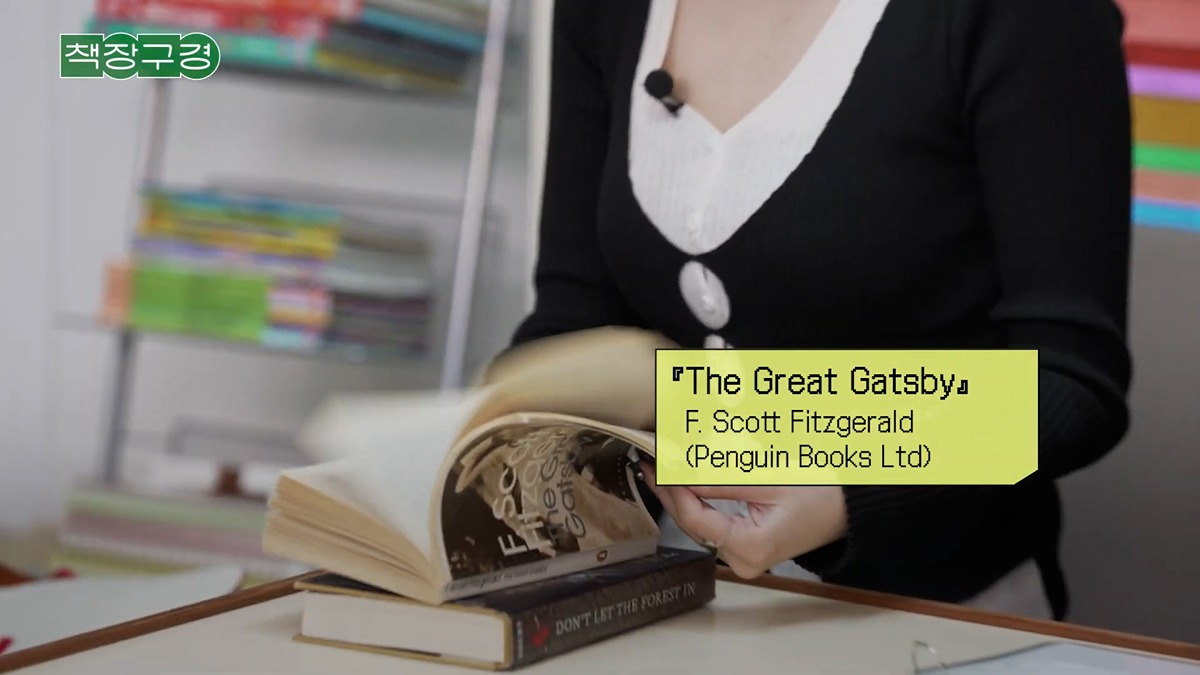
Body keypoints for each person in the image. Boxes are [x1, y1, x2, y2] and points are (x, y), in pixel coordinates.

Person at [507, 0, 1132, 621]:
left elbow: (1069, 380)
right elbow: (572, 322)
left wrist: (850, 482)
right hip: (650, 603)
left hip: (937, 617)